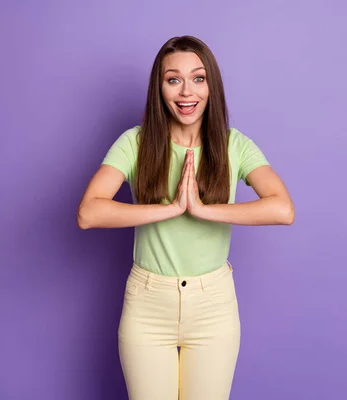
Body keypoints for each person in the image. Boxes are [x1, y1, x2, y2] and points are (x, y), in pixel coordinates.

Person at [77, 35, 294, 400]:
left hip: (214, 305)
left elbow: (282, 208)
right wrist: (171, 209)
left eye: (198, 78)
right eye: (173, 79)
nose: (185, 91)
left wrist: (203, 210)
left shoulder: (233, 145)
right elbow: (88, 212)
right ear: (159, 88)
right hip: (148, 303)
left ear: (211, 86)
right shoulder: (135, 143)